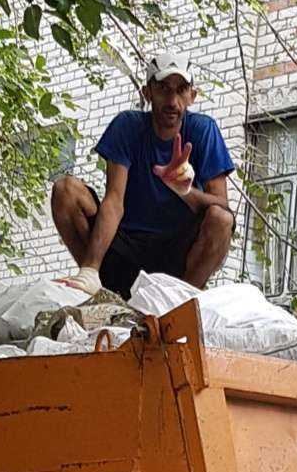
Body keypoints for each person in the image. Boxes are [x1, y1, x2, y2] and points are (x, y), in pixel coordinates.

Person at [51, 52, 236, 300]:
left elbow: (223, 207)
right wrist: (91, 268)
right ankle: (94, 282)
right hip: (125, 248)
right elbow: (114, 200)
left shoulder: (203, 130)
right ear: (146, 93)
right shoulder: (128, 126)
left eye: (181, 90)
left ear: (192, 96)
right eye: (163, 89)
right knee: (66, 190)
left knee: (220, 220)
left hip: (177, 257)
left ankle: (181, 301)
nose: (172, 101)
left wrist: (187, 192)